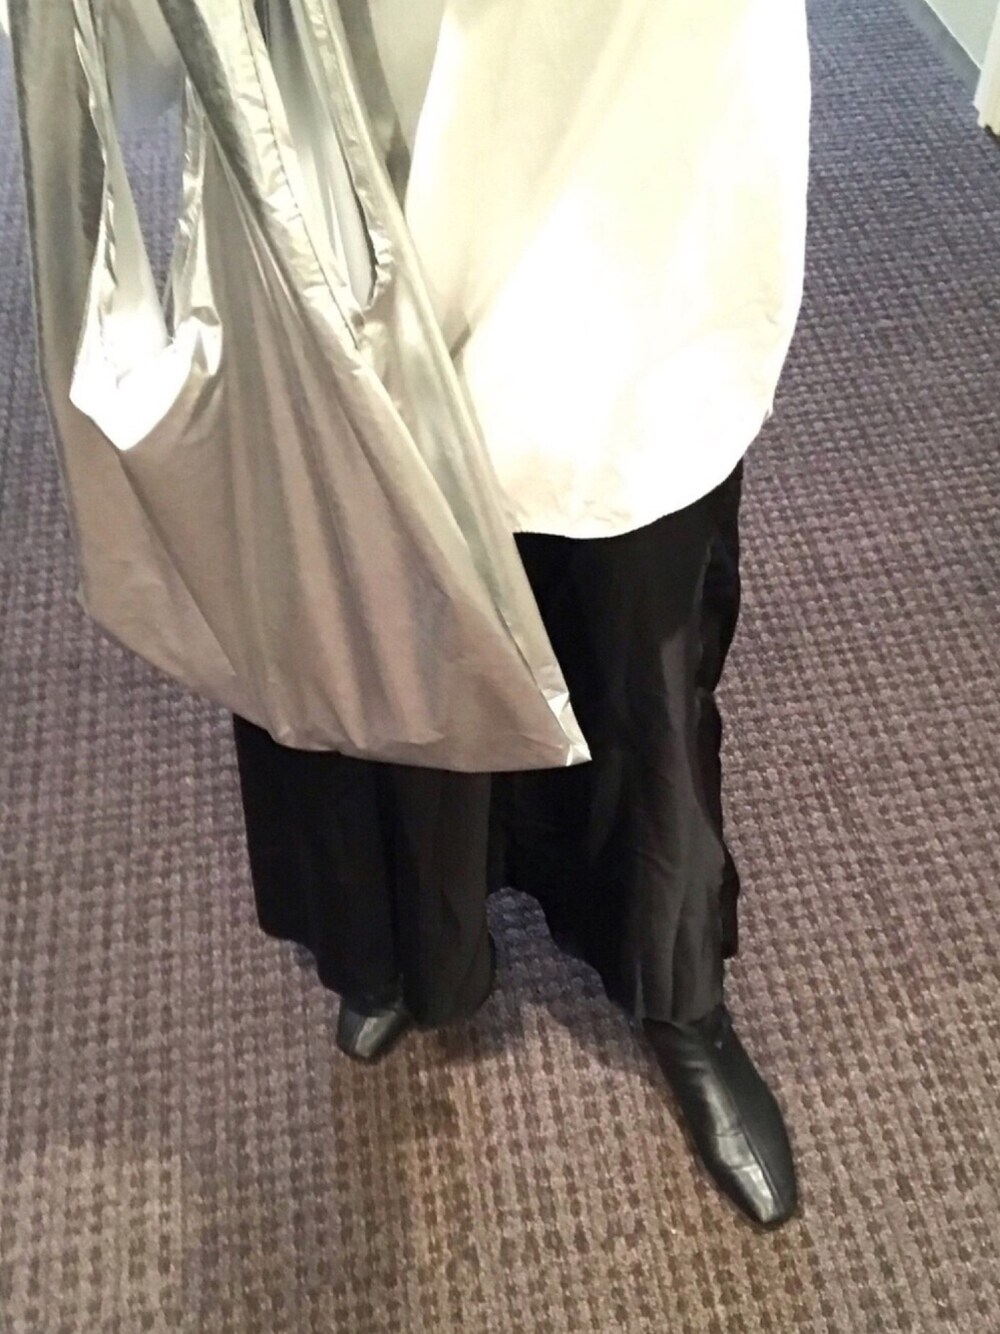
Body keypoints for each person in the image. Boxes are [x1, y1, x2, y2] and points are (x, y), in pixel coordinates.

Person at [234, 0, 811, 1229]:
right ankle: (402, 937)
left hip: (632, 104)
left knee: (635, 571)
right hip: (368, 82)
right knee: (382, 563)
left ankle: (677, 987)